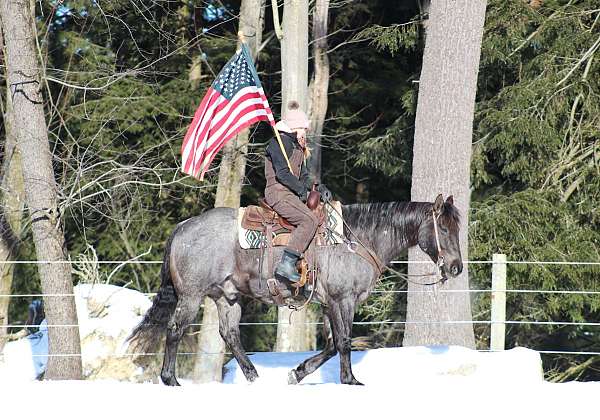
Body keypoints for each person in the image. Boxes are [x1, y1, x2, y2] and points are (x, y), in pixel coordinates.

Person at [264, 101, 332, 283]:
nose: (306, 132)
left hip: (290, 194)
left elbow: (304, 176)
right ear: (295, 127)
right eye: (304, 128)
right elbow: (283, 174)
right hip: (278, 193)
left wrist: (318, 187)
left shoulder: (297, 147)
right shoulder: (278, 143)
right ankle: (286, 264)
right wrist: (302, 191)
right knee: (309, 220)